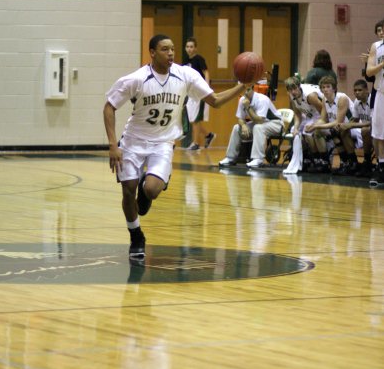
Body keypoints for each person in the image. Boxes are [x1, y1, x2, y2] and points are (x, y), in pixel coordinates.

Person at [103, 34, 250, 260]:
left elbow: (216, 101)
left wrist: (242, 86)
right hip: (133, 141)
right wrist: (113, 145)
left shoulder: (187, 75)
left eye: (172, 49)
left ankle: (148, 186)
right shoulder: (137, 79)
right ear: (152, 52)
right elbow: (109, 107)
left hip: (163, 142)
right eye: (164, 49)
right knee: (127, 189)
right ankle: (136, 236)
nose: (171, 53)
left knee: (151, 190)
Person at [305, 75, 362, 175]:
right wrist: (313, 125)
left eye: (328, 86)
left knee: (338, 130)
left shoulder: (342, 98)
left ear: (334, 88)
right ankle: (324, 162)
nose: (325, 89)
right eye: (323, 87)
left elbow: (338, 122)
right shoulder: (324, 99)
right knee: (318, 132)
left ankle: (352, 163)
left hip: (354, 127)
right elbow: (323, 119)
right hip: (336, 127)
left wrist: (316, 126)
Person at [218, 86, 283, 169]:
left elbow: (259, 121)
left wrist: (248, 107)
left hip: (276, 123)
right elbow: (240, 119)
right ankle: (230, 158)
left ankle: (258, 159)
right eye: (243, 91)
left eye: (248, 90)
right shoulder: (242, 100)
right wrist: (244, 125)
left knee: (258, 127)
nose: (245, 93)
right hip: (261, 124)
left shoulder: (262, 99)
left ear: (253, 89)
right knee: (237, 128)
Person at [283, 76, 324, 172]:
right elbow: (297, 114)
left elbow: (323, 111)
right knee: (294, 130)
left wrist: (317, 124)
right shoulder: (291, 96)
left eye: (294, 88)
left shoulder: (310, 96)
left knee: (308, 131)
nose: (292, 92)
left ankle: (319, 160)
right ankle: (305, 158)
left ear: (299, 86)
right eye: (290, 90)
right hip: (309, 115)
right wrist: (297, 127)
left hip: (320, 114)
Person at [183, 37, 216, 150]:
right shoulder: (186, 62)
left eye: (191, 47)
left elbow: (206, 72)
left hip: (199, 92)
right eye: (187, 47)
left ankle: (196, 143)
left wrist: (206, 88)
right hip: (190, 93)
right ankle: (208, 135)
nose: (189, 49)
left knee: (196, 119)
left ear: (195, 48)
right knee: (192, 119)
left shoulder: (199, 59)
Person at [338, 79, 373, 177]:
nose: (357, 93)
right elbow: (355, 120)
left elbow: (371, 123)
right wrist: (345, 125)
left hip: (377, 130)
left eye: (360, 90)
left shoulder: (373, 100)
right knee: (343, 130)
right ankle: (353, 162)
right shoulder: (357, 102)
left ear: (367, 90)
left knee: (365, 130)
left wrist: (350, 125)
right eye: (355, 90)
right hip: (364, 128)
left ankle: (367, 161)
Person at [366, 20, 384, 187]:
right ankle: (381, 166)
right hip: (381, 93)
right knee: (379, 133)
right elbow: (369, 71)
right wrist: (382, 64)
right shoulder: (376, 47)